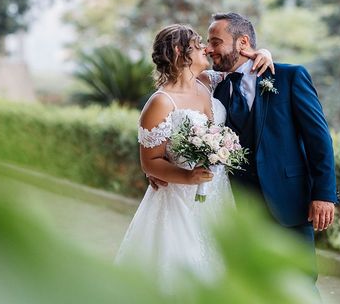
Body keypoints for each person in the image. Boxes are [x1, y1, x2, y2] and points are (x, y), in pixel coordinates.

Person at [115, 24, 273, 292]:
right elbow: (150, 161)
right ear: (180, 51)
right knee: (182, 275)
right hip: (180, 201)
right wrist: (187, 176)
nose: (205, 48)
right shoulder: (161, 102)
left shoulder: (208, 82)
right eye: (198, 43)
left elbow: (242, 68)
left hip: (219, 195)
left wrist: (265, 53)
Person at [204, 12, 339, 286]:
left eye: (216, 42)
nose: (209, 49)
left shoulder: (288, 77)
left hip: (288, 200)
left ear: (242, 42)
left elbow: (319, 140)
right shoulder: (214, 88)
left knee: (299, 282)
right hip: (238, 206)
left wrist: (324, 194)